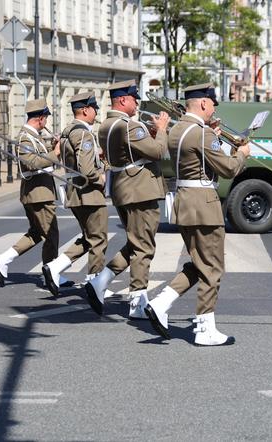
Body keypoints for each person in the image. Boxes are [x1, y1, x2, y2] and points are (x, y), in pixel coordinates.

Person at [144, 83, 250, 346]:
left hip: (185, 203)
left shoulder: (178, 129)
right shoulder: (201, 134)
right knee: (213, 267)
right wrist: (241, 154)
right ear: (203, 103)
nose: (214, 109)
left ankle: (160, 302)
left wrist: (212, 136)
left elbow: (197, 156)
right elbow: (227, 169)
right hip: (204, 205)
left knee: (200, 263)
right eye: (213, 104)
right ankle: (205, 329)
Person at [85, 79, 169, 317]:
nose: (137, 103)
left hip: (123, 188)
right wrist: (161, 129)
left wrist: (151, 135)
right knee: (144, 247)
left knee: (135, 242)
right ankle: (137, 301)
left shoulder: (106, 125)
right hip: (140, 190)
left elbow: (134, 150)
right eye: (134, 98)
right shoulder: (130, 126)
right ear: (123, 99)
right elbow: (157, 152)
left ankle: (101, 281)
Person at [0, 98, 72, 290]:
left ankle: (4, 259)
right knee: (51, 235)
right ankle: (51, 273)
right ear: (40, 118)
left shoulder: (34, 136)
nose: (47, 123)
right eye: (46, 119)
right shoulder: (25, 137)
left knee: (36, 233)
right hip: (38, 193)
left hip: (40, 191)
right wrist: (56, 153)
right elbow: (31, 162)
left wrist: (52, 147)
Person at [42, 92, 108, 296]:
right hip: (88, 192)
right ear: (86, 110)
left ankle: (54, 267)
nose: (96, 112)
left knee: (89, 238)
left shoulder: (68, 130)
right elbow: (87, 170)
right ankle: (95, 283)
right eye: (94, 108)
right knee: (99, 240)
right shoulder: (84, 133)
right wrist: (101, 177)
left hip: (75, 191)